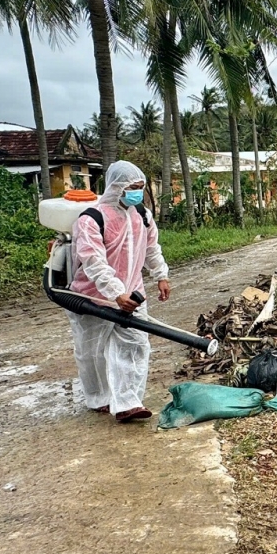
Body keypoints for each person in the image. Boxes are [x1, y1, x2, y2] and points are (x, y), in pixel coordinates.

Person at [66, 161, 171, 423]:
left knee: (136, 345)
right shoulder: (91, 219)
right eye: (132, 187)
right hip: (92, 297)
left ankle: (128, 403)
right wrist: (115, 292)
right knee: (92, 352)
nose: (137, 192)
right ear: (116, 187)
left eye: (140, 187)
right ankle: (99, 398)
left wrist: (161, 275)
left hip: (132, 293)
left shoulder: (142, 215)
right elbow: (93, 262)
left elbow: (151, 248)